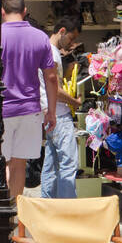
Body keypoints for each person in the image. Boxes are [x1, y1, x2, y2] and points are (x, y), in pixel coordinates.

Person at [0, 0, 57, 200]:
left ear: (2, 12)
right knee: (19, 164)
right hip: (30, 110)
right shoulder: (40, 37)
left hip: (0, 109)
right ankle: (14, 212)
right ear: (25, 11)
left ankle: (0, 206)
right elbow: (51, 77)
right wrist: (51, 111)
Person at [40, 16, 83, 198]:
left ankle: (48, 203)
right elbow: (55, 89)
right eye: (71, 38)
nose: (72, 43)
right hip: (58, 114)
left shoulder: (43, 49)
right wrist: (75, 102)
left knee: (51, 163)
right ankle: (67, 207)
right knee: (68, 164)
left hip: (47, 113)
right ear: (62, 31)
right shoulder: (53, 52)